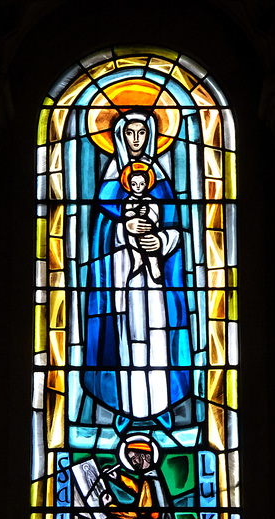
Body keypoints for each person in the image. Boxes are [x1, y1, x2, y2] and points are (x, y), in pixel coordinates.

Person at [83, 111, 191, 429]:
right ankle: (117, 406)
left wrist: (160, 241)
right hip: (119, 277)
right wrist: (122, 228)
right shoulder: (107, 187)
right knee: (120, 338)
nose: (135, 140)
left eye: (141, 133)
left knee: (158, 334)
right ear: (118, 137)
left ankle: (162, 405)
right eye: (129, 133)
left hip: (156, 282)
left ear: (151, 136)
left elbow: (176, 231)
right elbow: (97, 234)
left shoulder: (163, 185)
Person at [121, 163, 162, 283]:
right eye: (134, 184)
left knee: (149, 241)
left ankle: (154, 264)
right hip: (133, 232)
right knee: (132, 237)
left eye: (141, 184)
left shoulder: (150, 200)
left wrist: (147, 212)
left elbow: (155, 217)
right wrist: (134, 213)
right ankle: (137, 259)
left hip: (148, 229)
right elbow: (126, 214)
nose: (138, 187)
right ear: (129, 185)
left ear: (147, 184)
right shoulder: (129, 200)